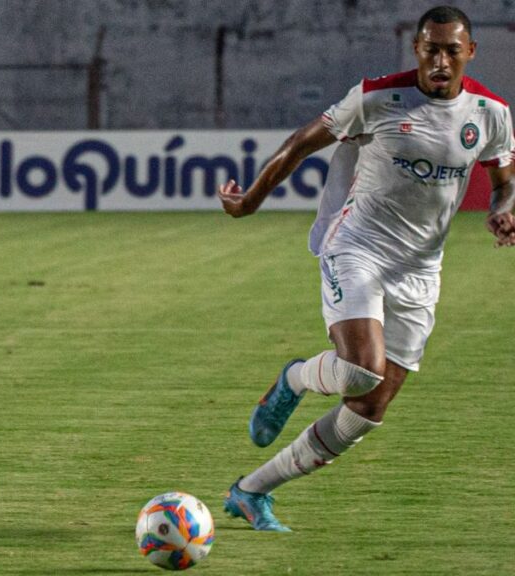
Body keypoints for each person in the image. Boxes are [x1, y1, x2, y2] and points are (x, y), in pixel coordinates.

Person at [217, 5, 515, 532]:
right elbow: (300, 144)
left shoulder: (491, 113)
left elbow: (504, 180)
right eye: (431, 48)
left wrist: (502, 210)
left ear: (470, 52)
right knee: (360, 368)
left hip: (421, 271)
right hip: (358, 245)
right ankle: (295, 377)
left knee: (368, 408)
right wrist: (251, 201)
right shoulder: (379, 97)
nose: (441, 60)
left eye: (452, 49)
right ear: (416, 50)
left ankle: (250, 491)